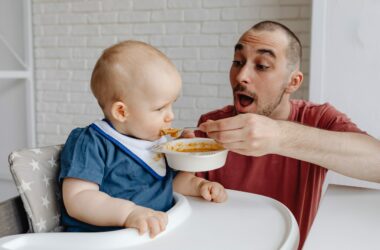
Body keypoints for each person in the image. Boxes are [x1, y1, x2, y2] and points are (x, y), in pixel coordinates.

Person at [194, 20, 380, 248]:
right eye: (237, 62)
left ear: (293, 81)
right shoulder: (212, 123)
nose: (241, 75)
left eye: (261, 65)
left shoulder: (319, 119)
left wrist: (279, 136)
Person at [58, 40, 227, 238]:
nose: (170, 116)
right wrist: (129, 213)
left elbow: (169, 185)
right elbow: (78, 199)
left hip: (156, 235)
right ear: (122, 111)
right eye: (160, 108)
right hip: (104, 241)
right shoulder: (91, 142)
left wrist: (199, 186)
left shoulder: (157, 141)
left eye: (172, 105)